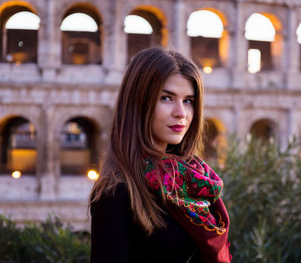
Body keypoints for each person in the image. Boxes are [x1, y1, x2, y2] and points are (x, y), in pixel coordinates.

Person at [89, 47, 231, 263]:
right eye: (166, 98)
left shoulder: (194, 180)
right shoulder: (117, 191)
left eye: (188, 101)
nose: (181, 113)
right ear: (139, 102)